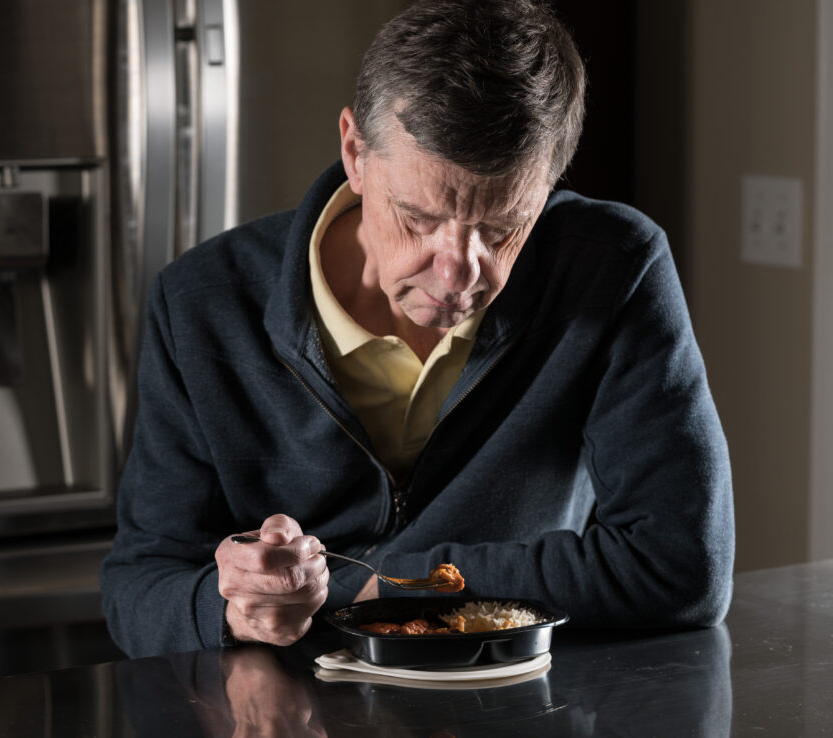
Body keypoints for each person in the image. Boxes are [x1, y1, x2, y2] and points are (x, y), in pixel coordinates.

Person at [100, 0, 735, 657]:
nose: (460, 272)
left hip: (513, 710)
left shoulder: (614, 268)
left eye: (501, 227)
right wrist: (231, 608)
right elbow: (138, 590)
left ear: (547, 187)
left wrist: (395, 582)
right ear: (354, 151)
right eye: (418, 216)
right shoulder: (201, 301)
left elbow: (682, 569)